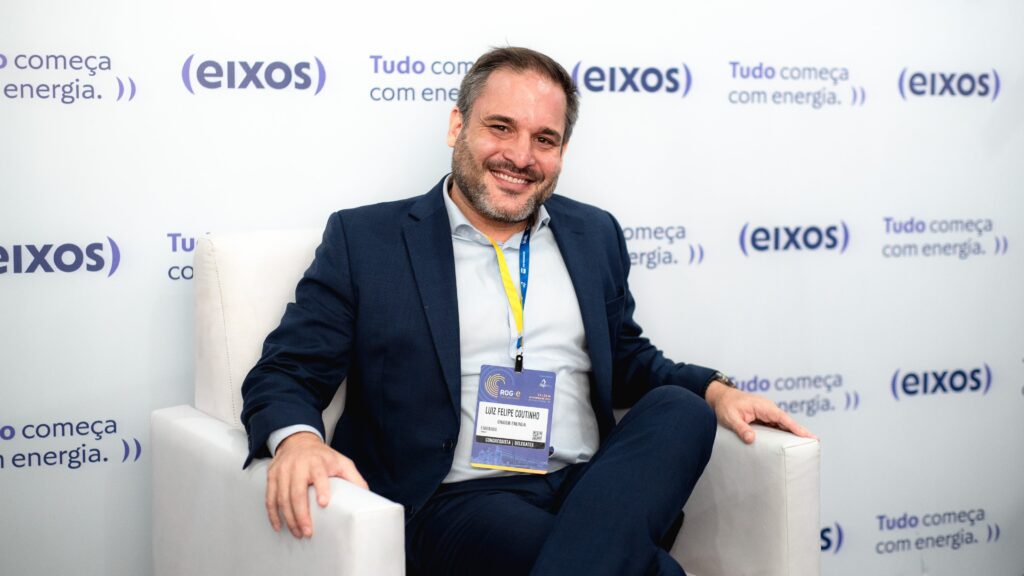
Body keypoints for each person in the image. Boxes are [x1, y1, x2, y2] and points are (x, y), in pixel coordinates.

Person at [241, 46, 813, 576]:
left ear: (562, 151)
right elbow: (287, 371)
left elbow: (626, 358)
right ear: (457, 126)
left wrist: (714, 389)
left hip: (589, 485)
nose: (520, 156)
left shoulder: (594, 233)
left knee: (680, 410)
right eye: (501, 127)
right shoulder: (368, 240)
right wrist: (298, 441)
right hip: (457, 498)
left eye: (545, 139)